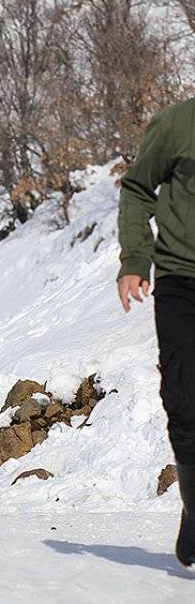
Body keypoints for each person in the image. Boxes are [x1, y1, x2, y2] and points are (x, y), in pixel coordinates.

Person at [117, 96, 195, 567]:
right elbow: (137, 188)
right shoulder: (177, 124)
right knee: (184, 400)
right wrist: (133, 260)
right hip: (180, 279)